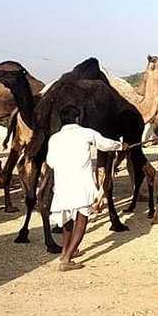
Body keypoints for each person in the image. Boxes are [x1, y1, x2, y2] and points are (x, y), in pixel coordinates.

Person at [46, 105, 126, 271]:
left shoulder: (54, 138)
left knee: (67, 218)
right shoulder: (86, 133)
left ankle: (65, 251)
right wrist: (121, 146)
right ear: (77, 118)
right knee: (82, 219)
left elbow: (50, 162)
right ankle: (67, 259)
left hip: (62, 184)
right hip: (82, 184)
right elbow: (105, 144)